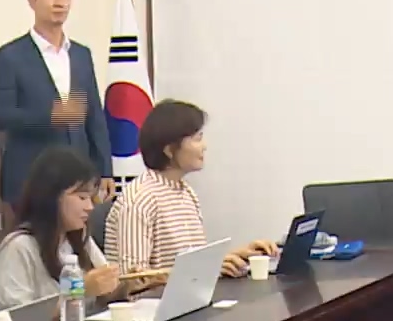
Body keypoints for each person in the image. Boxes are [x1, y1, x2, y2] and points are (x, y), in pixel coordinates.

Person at [103, 100, 276, 279]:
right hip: (155, 298)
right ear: (170, 150)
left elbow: (192, 263)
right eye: (197, 139)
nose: (204, 146)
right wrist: (207, 267)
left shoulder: (186, 192)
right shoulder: (139, 200)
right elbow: (132, 279)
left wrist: (239, 255)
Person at [0, 0, 114, 206]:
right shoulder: (9, 57)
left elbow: (94, 116)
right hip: (31, 178)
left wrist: (105, 169)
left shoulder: (80, 55)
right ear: (32, 0)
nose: (59, 2)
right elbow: (1, 115)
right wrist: (51, 116)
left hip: (78, 178)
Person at [0, 147, 136, 311]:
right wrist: (80, 290)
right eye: (82, 197)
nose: (90, 207)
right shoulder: (18, 247)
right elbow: (15, 318)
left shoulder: (78, 237)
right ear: (52, 196)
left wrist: (128, 285)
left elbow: (104, 292)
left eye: (91, 198)